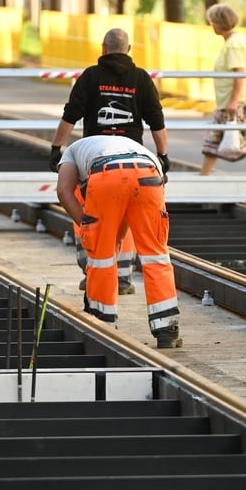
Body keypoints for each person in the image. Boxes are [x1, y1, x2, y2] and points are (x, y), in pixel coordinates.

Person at [49, 27, 171, 295]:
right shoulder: (141, 78)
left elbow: (71, 114)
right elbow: (156, 119)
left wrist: (57, 147)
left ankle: (93, 270)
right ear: (128, 50)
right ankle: (123, 277)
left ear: (102, 49)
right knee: (127, 215)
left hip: (97, 163)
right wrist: (162, 155)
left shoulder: (91, 76)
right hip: (134, 158)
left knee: (90, 209)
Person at [55, 134, 183, 349]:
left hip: (106, 178)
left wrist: (87, 226)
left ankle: (103, 324)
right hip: (149, 174)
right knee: (156, 255)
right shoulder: (127, 145)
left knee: (101, 258)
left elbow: (64, 191)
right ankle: (167, 330)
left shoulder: (70, 153)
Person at [200, 4, 246, 177]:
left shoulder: (234, 45)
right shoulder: (234, 41)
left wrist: (233, 101)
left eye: (212, 21)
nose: (211, 25)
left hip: (238, 102)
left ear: (218, 23)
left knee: (221, 141)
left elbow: (239, 73)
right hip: (233, 101)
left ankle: (204, 177)